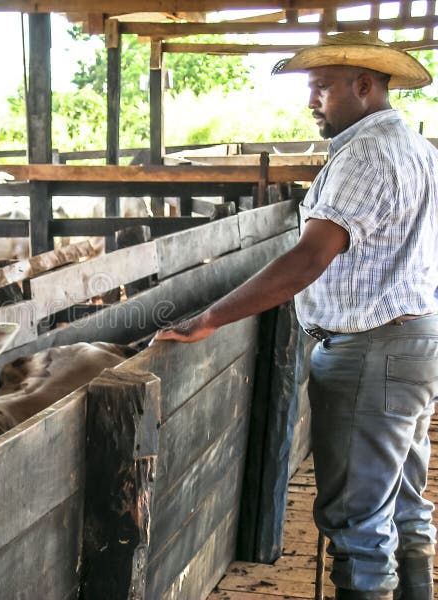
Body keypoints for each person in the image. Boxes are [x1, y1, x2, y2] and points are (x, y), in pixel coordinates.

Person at [154, 32, 438, 600]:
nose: (313, 101)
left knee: (357, 520)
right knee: (402, 497)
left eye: (322, 88)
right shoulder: (418, 147)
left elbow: (311, 256)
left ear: (364, 86)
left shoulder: (364, 154)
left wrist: (211, 317)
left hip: (369, 348)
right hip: (414, 340)